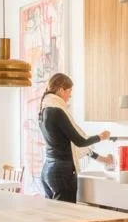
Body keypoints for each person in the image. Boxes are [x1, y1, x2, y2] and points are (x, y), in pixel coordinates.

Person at [38, 72, 112, 201]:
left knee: (54, 217)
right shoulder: (57, 111)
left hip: (48, 170)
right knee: (65, 216)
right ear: (61, 90)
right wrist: (100, 137)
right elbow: (80, 141)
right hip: (61, 173)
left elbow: (67, 142)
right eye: (69, 91)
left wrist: (103, 159)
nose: (70, 95)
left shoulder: (44, 110)